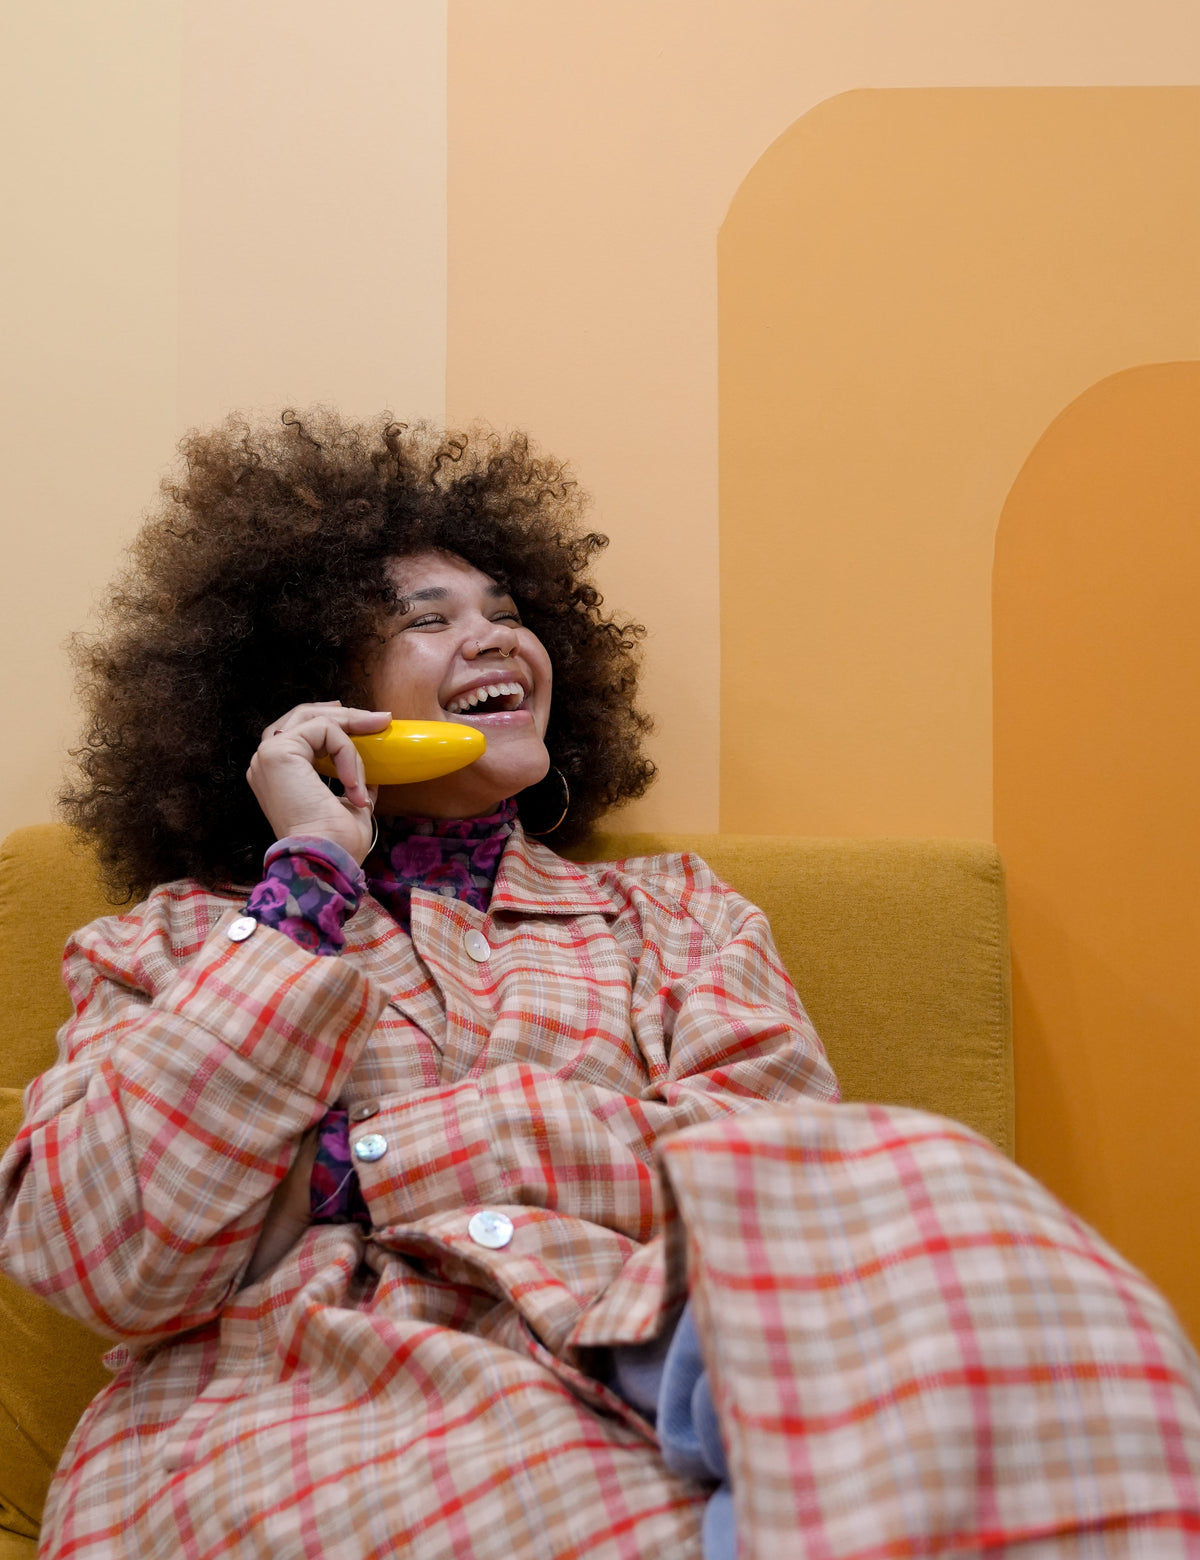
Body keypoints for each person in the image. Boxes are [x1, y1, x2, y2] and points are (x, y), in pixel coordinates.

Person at [1, 412, 1199, 1560]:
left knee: (940, 1179)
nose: (496, 638)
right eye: (428, 618)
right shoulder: (177, 945)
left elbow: (782, 1180)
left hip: (641, 1388)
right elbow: (107, 1257)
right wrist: (309, 876)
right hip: (283, 1427)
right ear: (316, 696)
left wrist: (352, 1165)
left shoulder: (676, 916)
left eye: (509, 611)